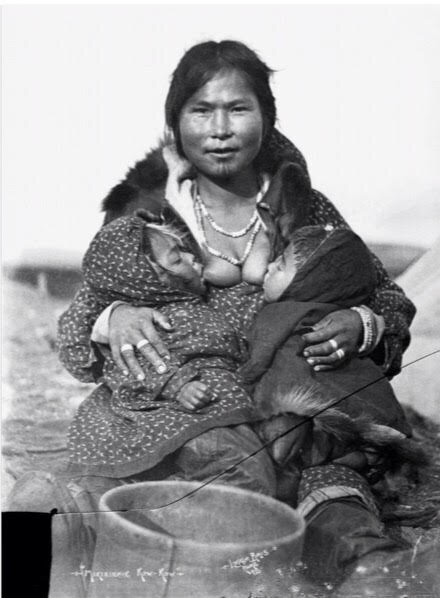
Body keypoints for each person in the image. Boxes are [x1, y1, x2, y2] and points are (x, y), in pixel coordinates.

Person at [10, 39, 417, 590]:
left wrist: (361, 324)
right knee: (93, 517)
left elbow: (386, 295)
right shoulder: (150, 218)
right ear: (175, 122)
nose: (219, 128)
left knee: (339, 512)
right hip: (181, 408)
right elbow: (78, 324)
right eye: (201, 110)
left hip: (288, 406)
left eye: (238, 108)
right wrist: (117, 315)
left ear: (267, 118)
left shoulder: (303, 207)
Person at [67, 210, 276, 495]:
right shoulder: (145, 321)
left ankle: (142, 506)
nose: (193, 259)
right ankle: (145, 512)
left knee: (245, 472)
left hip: (212, 410)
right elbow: (127, 364)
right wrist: (176, 384)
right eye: (177, 259)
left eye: (187, 252)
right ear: (148, 279)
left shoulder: (200, 305)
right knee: (244, 475)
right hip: (180, 412)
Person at [240, 225, 427, 506]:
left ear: (305, 282)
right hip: (370, 416)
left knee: (290, 451)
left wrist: (245, 377)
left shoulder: (279, 315)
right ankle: (363, 456)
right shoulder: (322, 307)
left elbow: (259, 359)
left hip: (305, 413)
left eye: (280, 266)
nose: (269, 267)